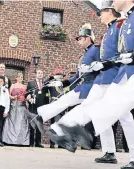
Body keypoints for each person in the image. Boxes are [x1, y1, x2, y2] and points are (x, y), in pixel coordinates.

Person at [54, 1, 134, 168]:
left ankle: (69, 134)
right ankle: (108, 151)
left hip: (118, 75)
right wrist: (102, 65)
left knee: (120, 114)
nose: (99, 15)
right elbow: (118, 55)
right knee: (106, 112)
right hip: (116, 75)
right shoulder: (115, 28)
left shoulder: (121, 25)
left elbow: (122, 53)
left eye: (102, 11)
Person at [33, 23, 100, 148]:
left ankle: (57, 130)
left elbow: (101, 68)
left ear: (88, 38)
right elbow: (77, 76)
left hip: (91, 88)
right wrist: (63, 82)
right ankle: (41, 117)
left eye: (80, 39)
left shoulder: (96, 50)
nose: (79, 41)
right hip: (83, 86)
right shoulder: (84, 55)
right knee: (63, 101)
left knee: (79, 112)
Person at [2, 73, 30, 146]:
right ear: (16, 78)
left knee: (21, 122)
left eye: (22, 77)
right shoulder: (13, 85)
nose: (21, 78)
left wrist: (27, 100)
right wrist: (12, 97)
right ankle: (9, 140)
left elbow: (26, 96)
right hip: (14, 105)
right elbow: (9, 95)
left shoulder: (25, 86)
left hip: (22, 105)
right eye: (19, 77)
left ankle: (21, 141)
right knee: (12, 121)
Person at [26, 70, 49, 148]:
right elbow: (27, 94)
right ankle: (31, 142)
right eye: (39, 73)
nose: (40, 74)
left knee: (40, 124)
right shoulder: (31, 83)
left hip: (42, 107)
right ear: (35, 74)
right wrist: (29, 99)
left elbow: (47, 96)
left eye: (41, 73)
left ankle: (38, 142)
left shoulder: (45, 84)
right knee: (32, 124)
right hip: (33, 106)